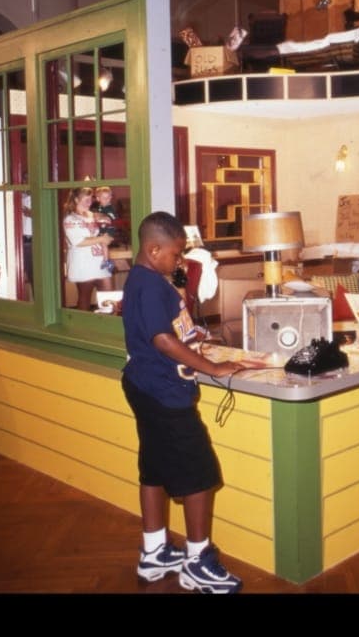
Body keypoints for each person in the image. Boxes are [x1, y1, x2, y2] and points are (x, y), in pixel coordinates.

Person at [120, 211, 255, 593]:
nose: (180, 260)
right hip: (163, 392)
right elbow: (162, 340)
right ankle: (197, 562)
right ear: (154, 250)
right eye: (176, 254)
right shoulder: (149, 284)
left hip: (145, 386)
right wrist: (212, 367)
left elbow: (171, 327)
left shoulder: (149, 281)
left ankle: (154, 552)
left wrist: (193, 332)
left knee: (154, 468)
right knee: (200, 474)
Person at [62, 186, 115, 310]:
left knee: (108, 300)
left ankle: (106, 320)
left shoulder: (91, 214)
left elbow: (105, 222)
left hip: (99, 262)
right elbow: (78, 241)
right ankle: (82, 322)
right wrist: (101, 239)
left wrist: (107, 222)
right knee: (84, 298)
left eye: (91, 199)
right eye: (86, 200)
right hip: (83, 264)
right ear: (76, 200)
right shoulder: (70, 219)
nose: (89, 203)